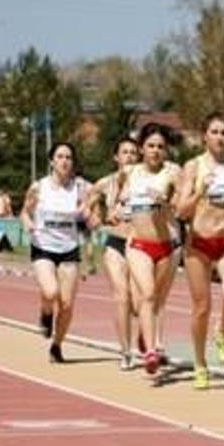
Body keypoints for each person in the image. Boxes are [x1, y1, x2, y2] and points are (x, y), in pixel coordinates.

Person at [176, 112, 224, 389]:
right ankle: (200, 363)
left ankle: (223, 330)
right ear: (204, 136)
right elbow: (181, 210)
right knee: (201, 308)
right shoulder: (193, 167)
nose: (219, 137)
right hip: (199, 243)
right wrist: (199, 192)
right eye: (214, 132)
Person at [116, 124, 183, 375]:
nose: (155, 151)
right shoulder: (130, 172)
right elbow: (121, 197)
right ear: (142, 148)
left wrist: (164, 202)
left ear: (166, 151)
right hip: (138, 244)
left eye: (160, 147)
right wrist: (118, 208)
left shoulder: (173, 172)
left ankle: (147, 336)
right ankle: (152, 350)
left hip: (165, 245)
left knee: (155, 301)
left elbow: (181, 207)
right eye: (151, 146)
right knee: (147, 293)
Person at [20, 142, 90, 363]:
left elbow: (94, 208)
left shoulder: (79, 188)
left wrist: (90, 212)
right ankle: (46, 312)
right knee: (51, 292)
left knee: (67, 304)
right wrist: (28, 224)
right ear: (52, 161)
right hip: (43, 245)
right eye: (60, 156)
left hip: (69, 248)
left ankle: (57, 345)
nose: (64, 161)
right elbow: (24, 212)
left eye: (68, 157)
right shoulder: (39, 187)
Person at [83, 136, 141, 371]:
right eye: (125, 152)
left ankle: (144, 333)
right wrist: (100, 217)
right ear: (116, 157)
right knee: (121, 297)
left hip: (139, 244)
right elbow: (88, 209)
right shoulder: (104, 183)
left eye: (133, 153)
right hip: (115, 244)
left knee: (140, 303)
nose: (129, 156)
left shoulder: (145, 180)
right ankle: (125, 351)